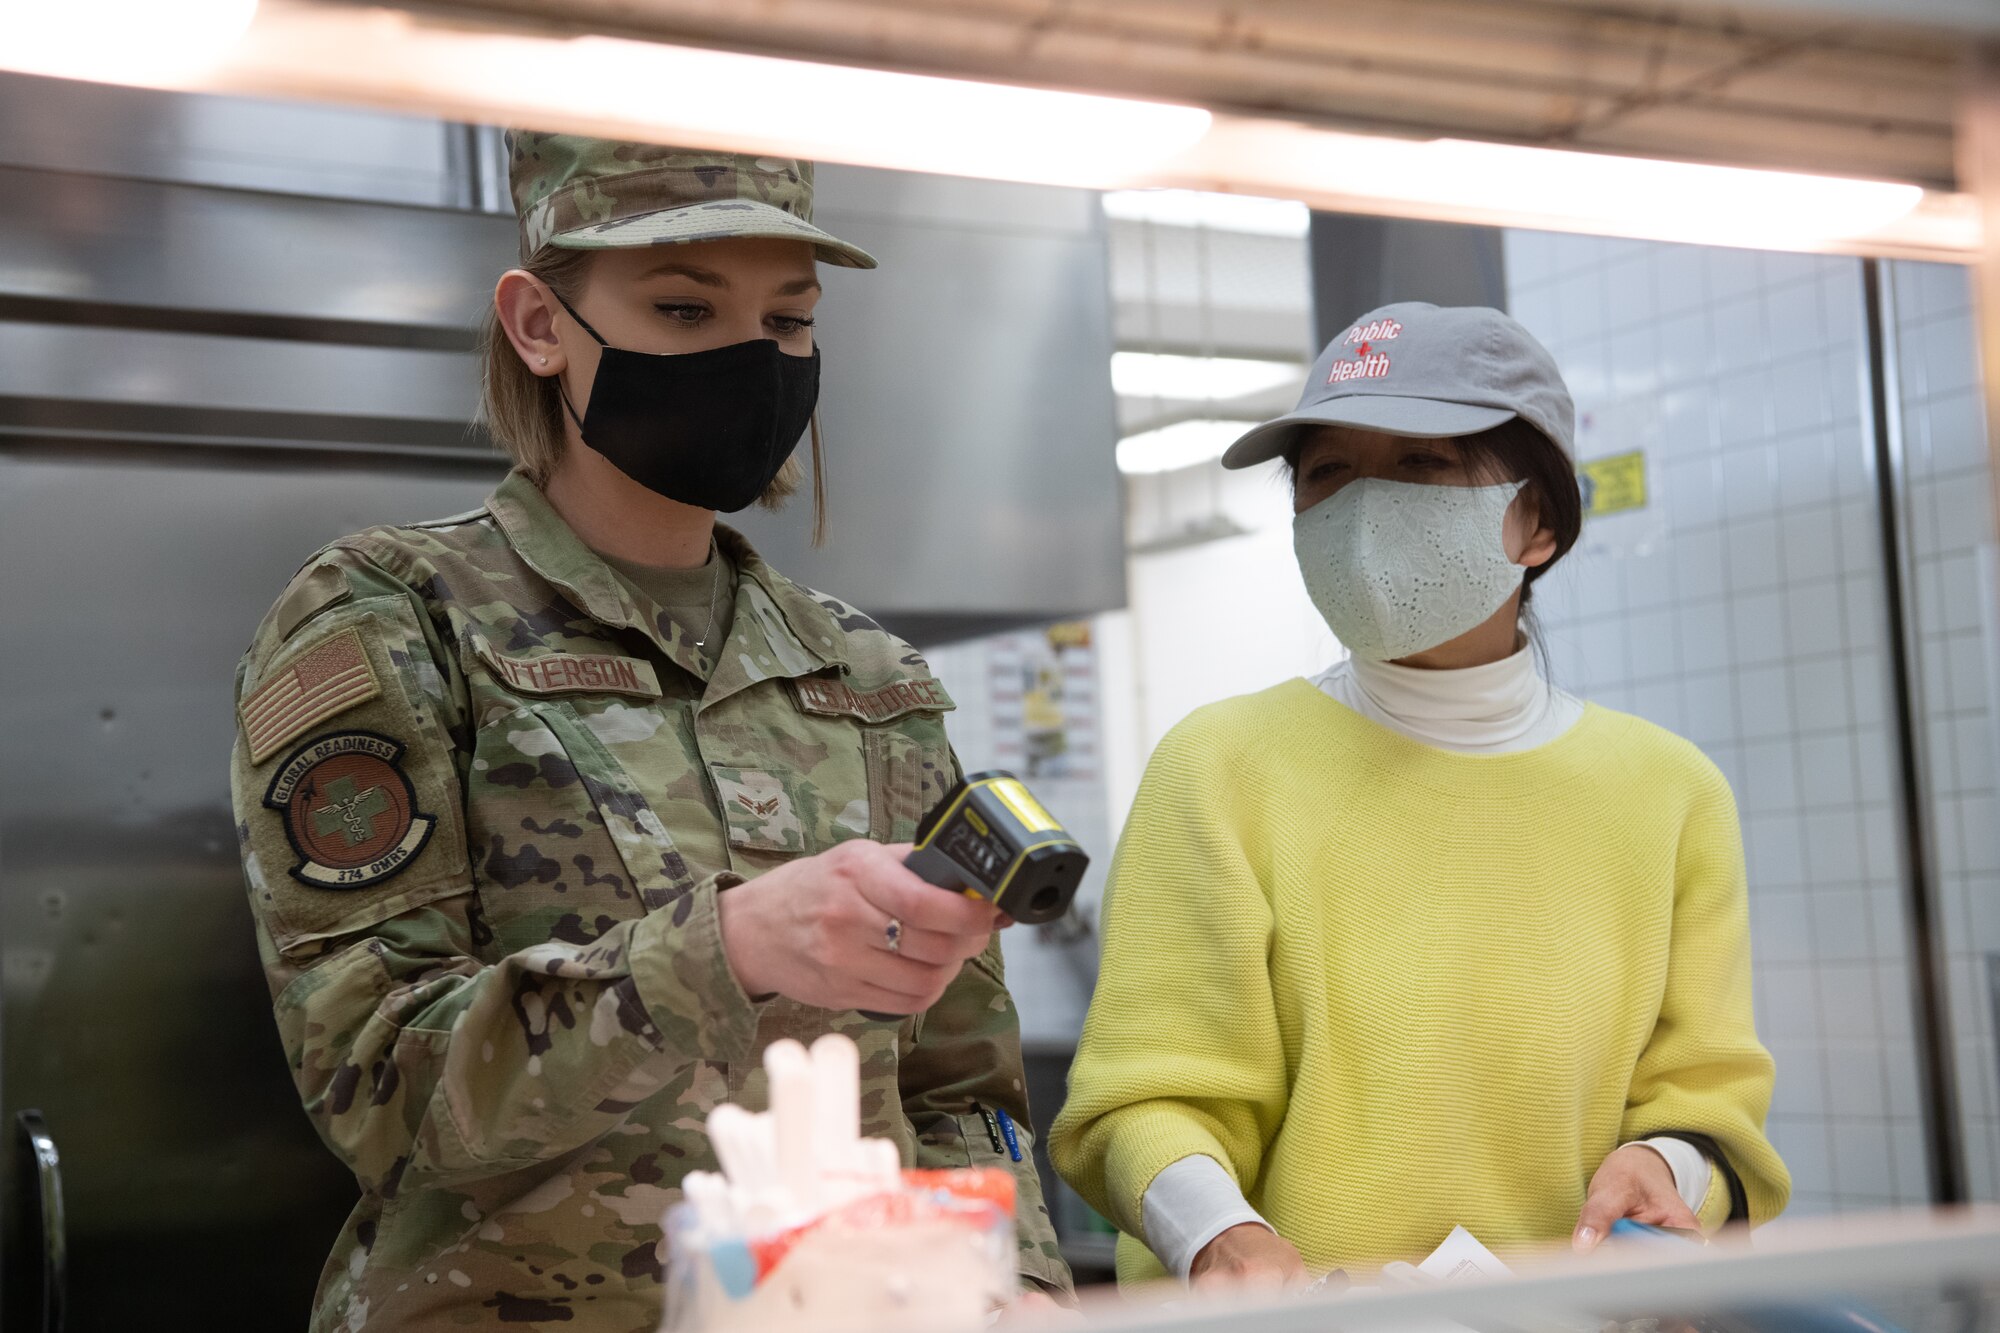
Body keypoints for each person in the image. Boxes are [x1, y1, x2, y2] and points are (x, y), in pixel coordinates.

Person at [229, 133, 1070, 1332]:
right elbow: (378, 1086)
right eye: (683, 307)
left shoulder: (868, 675)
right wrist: (724, 949)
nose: (749, 358)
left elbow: (958, 1077)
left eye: (787, 322)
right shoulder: (396, 619)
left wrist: (1013, 1277)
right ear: (538, 322)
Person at [1049, 302, 1789, 1290]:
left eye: (1419, 465)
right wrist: (1219, 1234)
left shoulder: (1667, 791)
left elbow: (1706, 1092)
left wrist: (1664, 1168)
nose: (1360, 507)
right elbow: (1141, 1098)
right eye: (1326, 472)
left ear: (1536, 521)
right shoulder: (1221, 765)